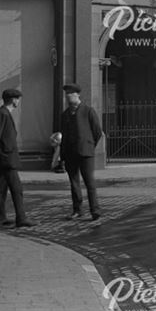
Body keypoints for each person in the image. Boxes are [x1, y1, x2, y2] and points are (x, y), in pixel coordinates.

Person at [0, 88, 34, 229]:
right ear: (13, 100)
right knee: (17, 189)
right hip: (6, 159)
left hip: (2, 159)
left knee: (0, 190)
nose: (18, 101)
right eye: (17, 98)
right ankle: (21, 218)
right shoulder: (3, 115)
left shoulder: (1, 114)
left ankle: (0, 219)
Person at [59, 83, 103, 220]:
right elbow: (64, 135)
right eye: (67, 94)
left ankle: (95, 210)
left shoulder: (88, 111)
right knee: (74, 183)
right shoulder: (65, 114)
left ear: (78, 95)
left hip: (85, 152)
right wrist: (62, 154)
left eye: (71, 94)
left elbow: (97, 131)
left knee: (89, 182)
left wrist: (90, 145)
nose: (68, 97)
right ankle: (77, 210)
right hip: (70, 153)